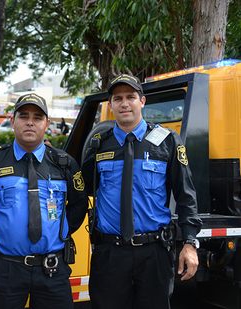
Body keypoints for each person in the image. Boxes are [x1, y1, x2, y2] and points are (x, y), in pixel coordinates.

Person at [82, 74, 202, 309]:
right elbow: (80, 190)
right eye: (118, 98)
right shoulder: (98, 145)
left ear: (142, 101)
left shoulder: (167, 142)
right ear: (111, 105)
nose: (124, 103)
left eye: (131, 97)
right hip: (109, 254)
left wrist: (189, 242)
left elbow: (185, 194)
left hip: (154, 253)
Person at [0, 93, 86, 309]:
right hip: (7, 270)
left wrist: (63, 231)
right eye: (23, 116)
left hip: (53, 269)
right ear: (12, 121)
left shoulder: (64, 164)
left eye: (38, 117)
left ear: (46, 124)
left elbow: (79, 204)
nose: (30, 122)